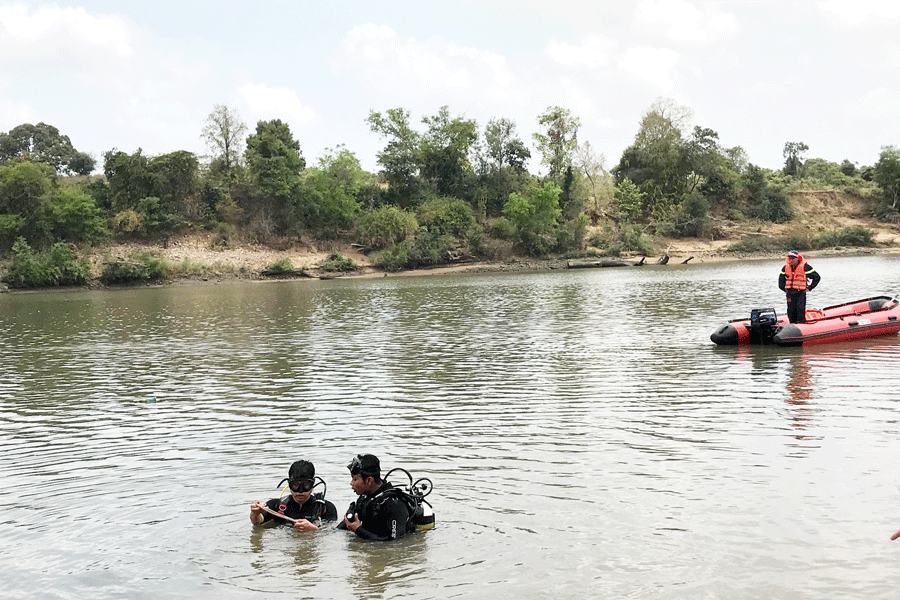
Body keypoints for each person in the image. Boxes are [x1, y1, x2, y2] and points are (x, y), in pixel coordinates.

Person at [338, 454, 415, 541]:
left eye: (355, 479)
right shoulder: (365, 498)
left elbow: (395, 543)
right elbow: (347, 524)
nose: (351, 483)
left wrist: (358, 530)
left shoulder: (393, 504)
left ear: (369, 480)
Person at [250, 460, 337, 532]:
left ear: (312, 485)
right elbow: (257, 523)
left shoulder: (326, 508)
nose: (300, 491)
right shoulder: (277, 506)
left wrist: (314, 529)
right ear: (289, 484)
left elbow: (331, 531)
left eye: (306, 485)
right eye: (295, 485)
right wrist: (255, 513)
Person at [778, 250, 820, 323]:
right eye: (790, 258)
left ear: (798, 258)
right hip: (790, 293)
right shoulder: (785, 268)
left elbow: (817, 277)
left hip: (800, 292)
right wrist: (784, 289)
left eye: (793, 258)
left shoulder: (806, 267)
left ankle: (801, 324)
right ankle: (792, 324)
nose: (791, 260)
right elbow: (781, 281)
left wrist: (809, 288)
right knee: (790, 310)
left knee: (800, 309)